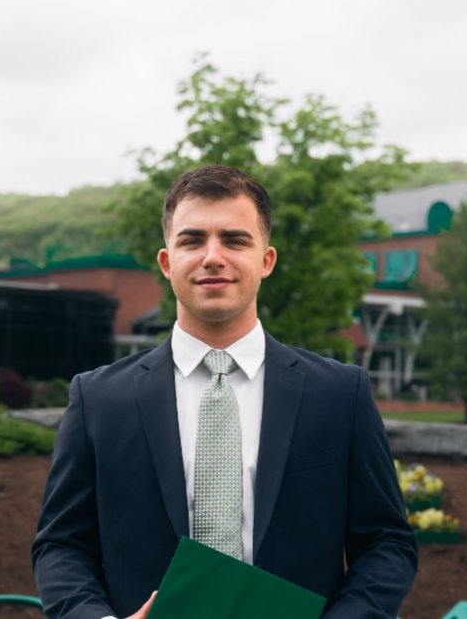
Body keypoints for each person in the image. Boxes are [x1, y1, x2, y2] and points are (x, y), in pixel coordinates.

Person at [32, 165, 418, 619]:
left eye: (235, 240)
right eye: (192, 240)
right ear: (166, 262)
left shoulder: (339, 394)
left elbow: (387, 543)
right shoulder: (99, 400)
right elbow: (60, 545)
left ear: (266, 260)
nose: (213, 257)